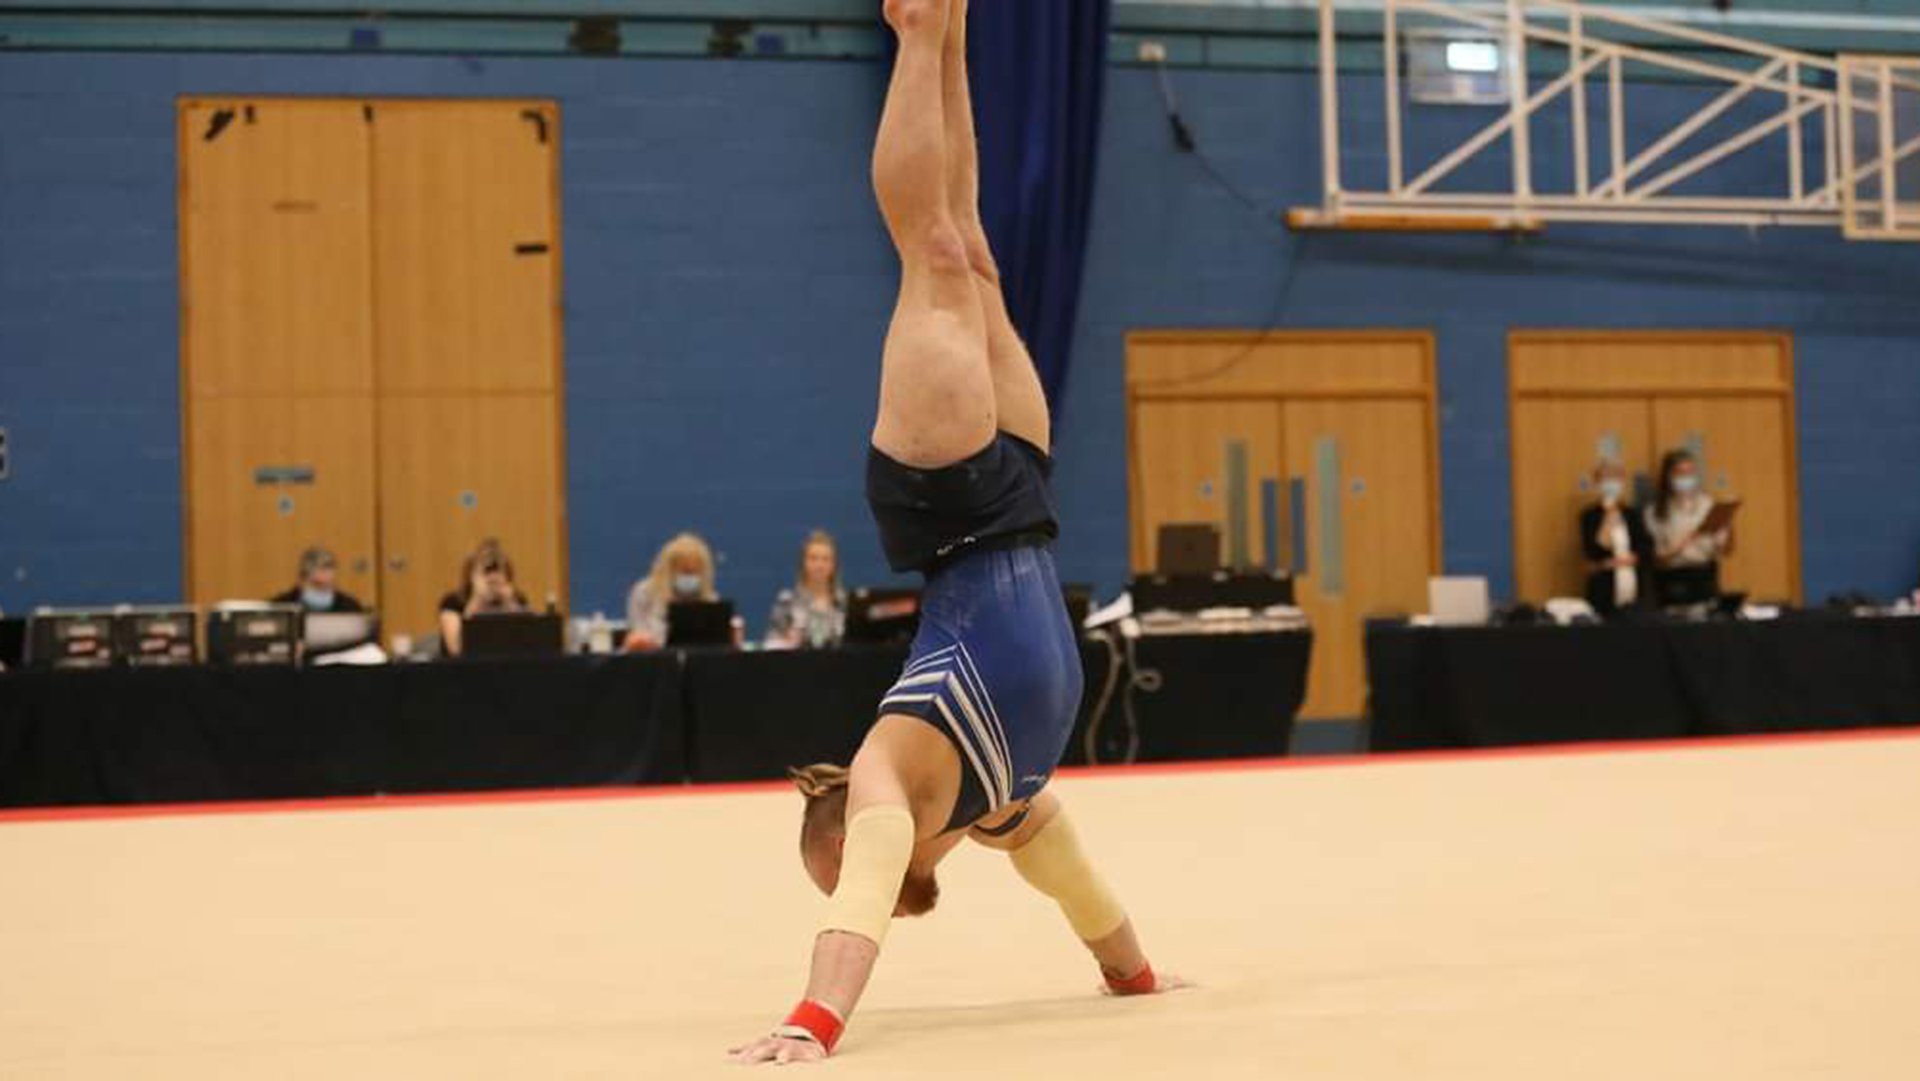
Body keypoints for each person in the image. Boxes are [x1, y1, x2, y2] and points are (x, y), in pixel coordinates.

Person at [729, 2, 1181, 1065]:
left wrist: (814, 1019)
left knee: (930, 251)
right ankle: (955, 31)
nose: (860, 874)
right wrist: (1135, 973)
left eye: (843, 864)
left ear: (845, 835)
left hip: (947, 511)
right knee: (968, 252)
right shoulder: (1003, 806)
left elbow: (864, 909)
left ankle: (920, 34)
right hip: (1019, 500)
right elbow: (1080, 890)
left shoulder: (893, 764)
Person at [1646, 449, 1736, 611]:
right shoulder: (1655, 512)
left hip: (1704, 576)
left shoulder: (1707, 505)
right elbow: (1655, 558)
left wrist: (1726, 530)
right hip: (1673, 580)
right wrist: (1681, 546)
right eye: (1680, 472)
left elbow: (1725, 549)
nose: (1686, 477)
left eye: (1690, 472)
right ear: (1668, 476)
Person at [1578, 461, 1651, 617]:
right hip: (1604, 587)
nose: (1612, 482)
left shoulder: (1632, 514)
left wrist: (1631, 558)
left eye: (1616, 477)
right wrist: (1607, 521)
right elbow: (1592, 551)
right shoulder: (1590, 516)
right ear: (1597, 482)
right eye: (1607, 477)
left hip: (1632, 582)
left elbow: (1646, 547)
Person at [624, 532, 719, 652]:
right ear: (669, 569)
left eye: (695, 572)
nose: (690, 577)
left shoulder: (709, 599)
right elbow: (637, 632)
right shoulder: (644, 592)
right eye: (685, 571)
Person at [437, 538, 528, 657]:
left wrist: (509, 603)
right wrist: (477, 600)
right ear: (472, 574)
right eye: (487, 571)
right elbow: (456, 649)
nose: (492, 577)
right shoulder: (452, 602)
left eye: (497, 571)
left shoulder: (516, 600)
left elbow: (526, 643)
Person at [764, 530, 847, 650]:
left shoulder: (845, 602)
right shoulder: (787, 601)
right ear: (803, 563)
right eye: (813, 558)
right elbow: (770, 643)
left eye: (826, 559)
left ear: (834, 564)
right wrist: (787, 643)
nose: (819, 565)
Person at [270, 546, 367, 613]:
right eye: (316, 585)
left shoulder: (350, 608)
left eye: (327, 586)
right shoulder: (282, 607)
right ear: (302, 580)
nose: (321, 592)